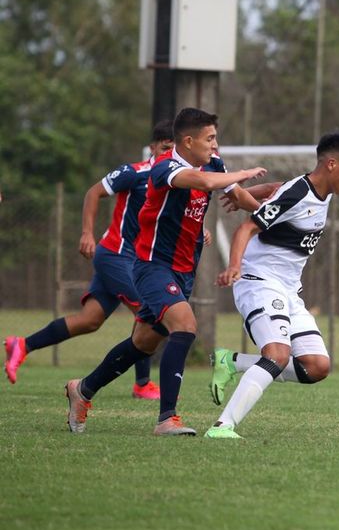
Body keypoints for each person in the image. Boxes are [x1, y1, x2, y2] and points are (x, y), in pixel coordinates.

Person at [64, 107, 268, 436]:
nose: (216, 145)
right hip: (152, 266)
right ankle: (166, 418)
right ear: (188, 141)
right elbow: (204, 182)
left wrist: (274, 215)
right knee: (185, 326)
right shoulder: (165, 168)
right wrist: (242, 172)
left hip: (184, 270)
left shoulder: (214, 163)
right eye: (210, 138)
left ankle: (82, 390)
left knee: (143, 342)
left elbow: (237, 196)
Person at [205, 132, 339, 439]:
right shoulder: (299, 193)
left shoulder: (323, 190)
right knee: (278, 355)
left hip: (289, 290)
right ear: (332, 164)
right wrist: (235, 267)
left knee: (317, 366)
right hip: (258, 282)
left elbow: (277, 190)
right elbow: (246, 227)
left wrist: (252, 190)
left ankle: (232, 361)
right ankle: (222, 427)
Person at [4, 120, 175, 399]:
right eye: (165, 148)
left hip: (134, 260)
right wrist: (86, 232)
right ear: (153, 147)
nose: (169, 154)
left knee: (89, 320)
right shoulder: (135, 173)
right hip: (116, 255)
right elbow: (93, 192)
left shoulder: (172, 180)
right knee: (149, 312)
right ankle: (142, 384)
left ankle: (22, 345)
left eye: (174, 150)